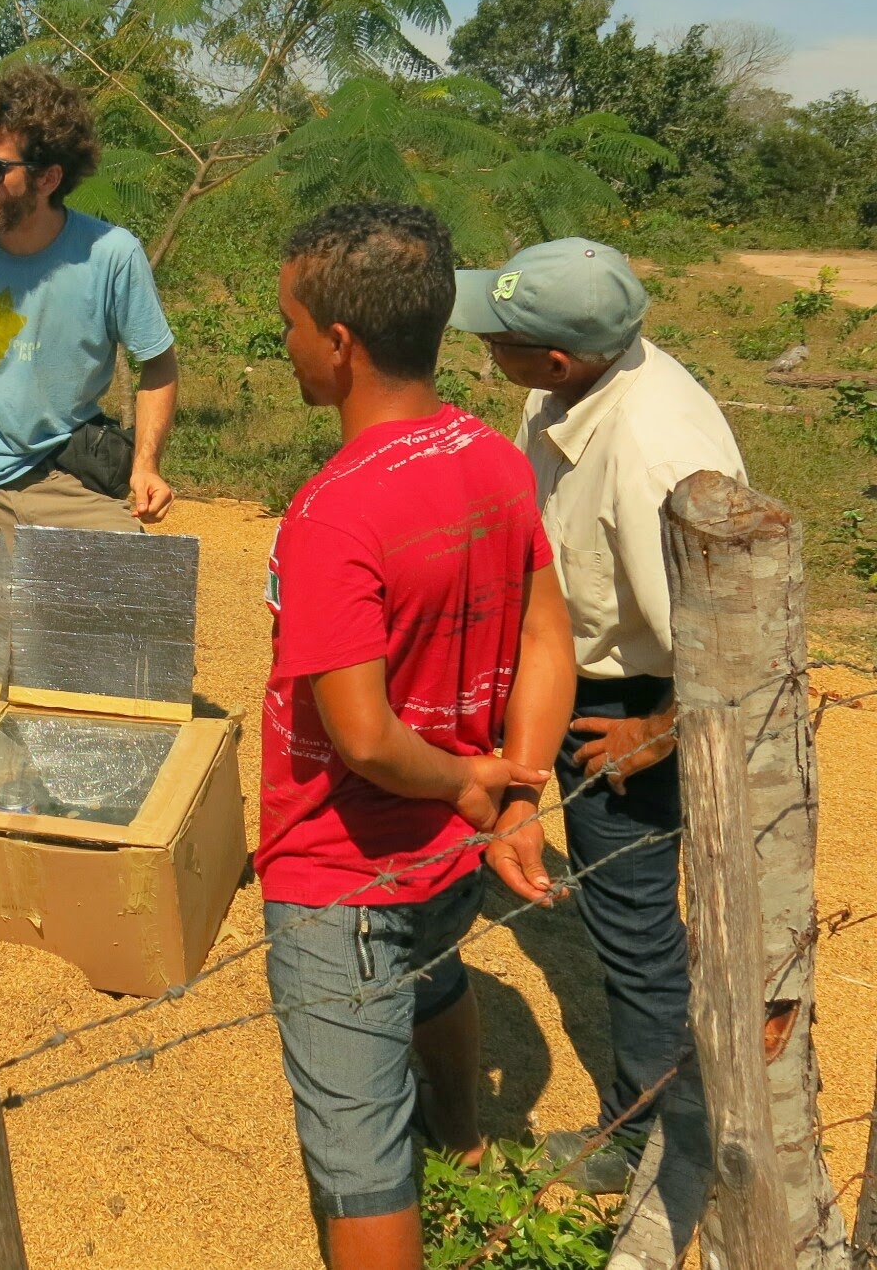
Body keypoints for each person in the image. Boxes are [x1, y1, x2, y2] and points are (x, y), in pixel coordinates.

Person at [259, 203, 576, 1270]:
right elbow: (547, 639)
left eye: (291, 322)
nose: (287, 341)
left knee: (359, 1164)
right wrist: (514, 790)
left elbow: (361, 735)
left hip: (340, 865)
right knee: (435, 975)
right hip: (449, 847)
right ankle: (466, 1138)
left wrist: (465, 785)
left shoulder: (331, 513)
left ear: (340, 343)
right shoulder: (491, 456)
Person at [452, 237, 748, 1190]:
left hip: (637, 700)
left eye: (497, 338)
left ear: (556, 357)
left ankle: (651, 1140)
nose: (483, 346)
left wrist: (654, 733)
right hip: (579, 669)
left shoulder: (654, 454)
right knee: (627, 910)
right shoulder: (565, 391)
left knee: (635, 925)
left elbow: (725, 646)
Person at [0, 64, 180, 711]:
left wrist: (147, 464)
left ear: (48, 178)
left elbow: (158, 365)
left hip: (69, 474)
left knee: (123, 660)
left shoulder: (111, 255)